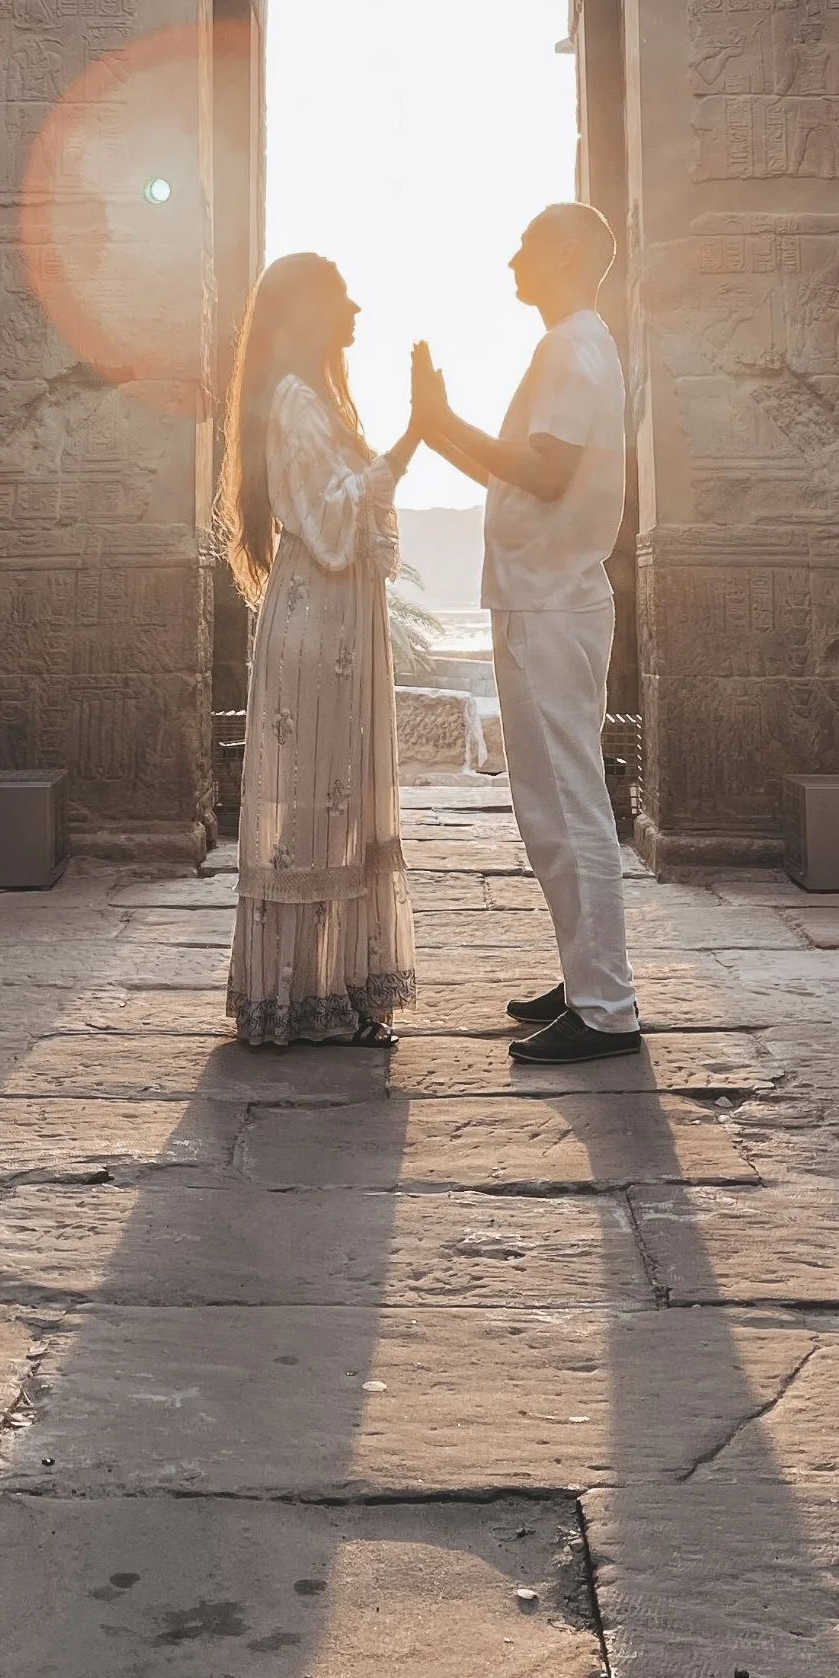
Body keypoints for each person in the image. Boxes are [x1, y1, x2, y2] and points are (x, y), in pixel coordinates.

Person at [413, 203, 640, 1064]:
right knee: (546, 806)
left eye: (529, 247)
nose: (513, 259)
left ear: (573, 255)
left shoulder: (572, 344)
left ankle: (607, 1007)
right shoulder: (573, 346)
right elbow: (518, 470)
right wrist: (438, 428)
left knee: (572, 805)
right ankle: (585, 978)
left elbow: (541, 476)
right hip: (537, 597)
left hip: (552, 601)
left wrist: (445, 420)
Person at [219, 253, 424, 1048]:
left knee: (333, 811)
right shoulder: (298, 401)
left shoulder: (315, 399)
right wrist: (413, 436)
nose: (356, 310)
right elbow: (333, 518)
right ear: (306, 312)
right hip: (317, 626)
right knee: (313, 814)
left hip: (334, 626)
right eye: (341, 297)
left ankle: (328, 990)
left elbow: (345, 509)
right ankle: (301, 997)